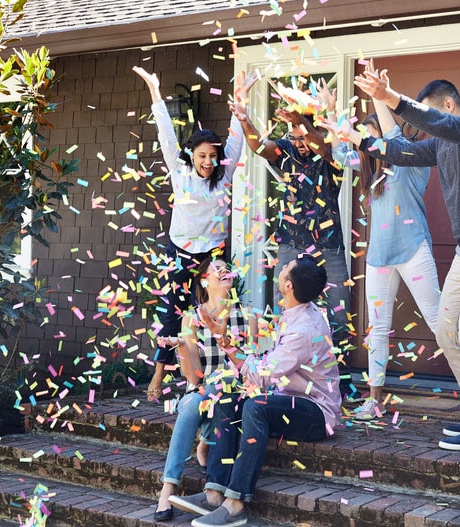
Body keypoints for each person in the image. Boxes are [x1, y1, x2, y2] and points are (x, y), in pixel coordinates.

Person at [352, 61, 460, 450]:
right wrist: (357, 137)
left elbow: (442, 125)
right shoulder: (442, 143)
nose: (429, 127)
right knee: (447, 331)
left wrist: (391, 98)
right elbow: (400, 153)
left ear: (448, 105)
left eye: (432, 115)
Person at [169, 253, 340, 527]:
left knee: (255, 406)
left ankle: (235, 504)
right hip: (285, 399)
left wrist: (224, 341)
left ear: (288, 286)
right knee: (227, 396)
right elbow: (264, 366)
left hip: (316, 412)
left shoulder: (303, 329)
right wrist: (223, 337)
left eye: (286, 268)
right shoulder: (295, 313)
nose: (281, 267)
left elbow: (263, 375)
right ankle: (213, 493)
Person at [228, 72, 355, 397]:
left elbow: (321, 144)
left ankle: (341, 378)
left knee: (339, 312)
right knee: (283, 309)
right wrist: (244, 118)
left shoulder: (329, 155)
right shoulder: (285, 149)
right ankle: (281, 373)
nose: (297, 144)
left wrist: (304, 122)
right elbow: (259, 146)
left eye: (301, 136)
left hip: (329, 246)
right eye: (293, 137)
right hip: (290, 243)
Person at [133, 66, 248, 402]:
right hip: (181, 254)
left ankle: (226, 373)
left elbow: (237, 138)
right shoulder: (179, 171)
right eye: (202, 156)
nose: (208, 162)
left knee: (220, 312)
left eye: (213, 156)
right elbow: (166, 135)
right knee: (174, 313)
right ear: (192, 156)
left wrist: (241, 98)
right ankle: (157, 377)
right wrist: (155, 92)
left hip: (213, 257)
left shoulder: (224, 175)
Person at [324, 87, 440, 421]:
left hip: (413, 249)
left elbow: (391, 137)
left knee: (438, 321)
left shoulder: (410, 161)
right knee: (376, 329)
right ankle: (374, 400)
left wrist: (377, 94)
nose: (366, 142)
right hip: (378, 257)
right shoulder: (368, 170)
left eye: (370, 136)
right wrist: (333, 113)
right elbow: (339, 150)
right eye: (364, 138)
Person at [153, 256, 257, 522]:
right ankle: (167, 489)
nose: (224, 271)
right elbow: (194, 376)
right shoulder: (191, 318)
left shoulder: (247, 316)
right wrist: (182, 349)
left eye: (227, 268)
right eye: (217, 269)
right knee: (189, 406)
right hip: (205, 388)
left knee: (215, 398)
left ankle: (206, 446)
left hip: (238, 390)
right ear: (204, 280)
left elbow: (252, 364)